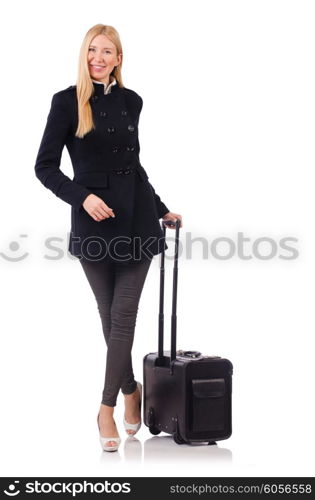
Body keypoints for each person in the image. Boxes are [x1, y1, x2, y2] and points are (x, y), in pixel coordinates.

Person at [34, 24, 183, 452]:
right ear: (84, 55)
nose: (98, 57)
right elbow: (44, 167)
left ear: (119, 58)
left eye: (108, 51)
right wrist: (83, 199)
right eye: (92, 50)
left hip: (136, 220)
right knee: (108, 317)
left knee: (123, 318)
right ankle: (131, 389)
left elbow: (133, 166)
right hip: (95, 224)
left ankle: (105, 408)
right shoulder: (67, 101)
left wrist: (160, 207)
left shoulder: (132, 102)